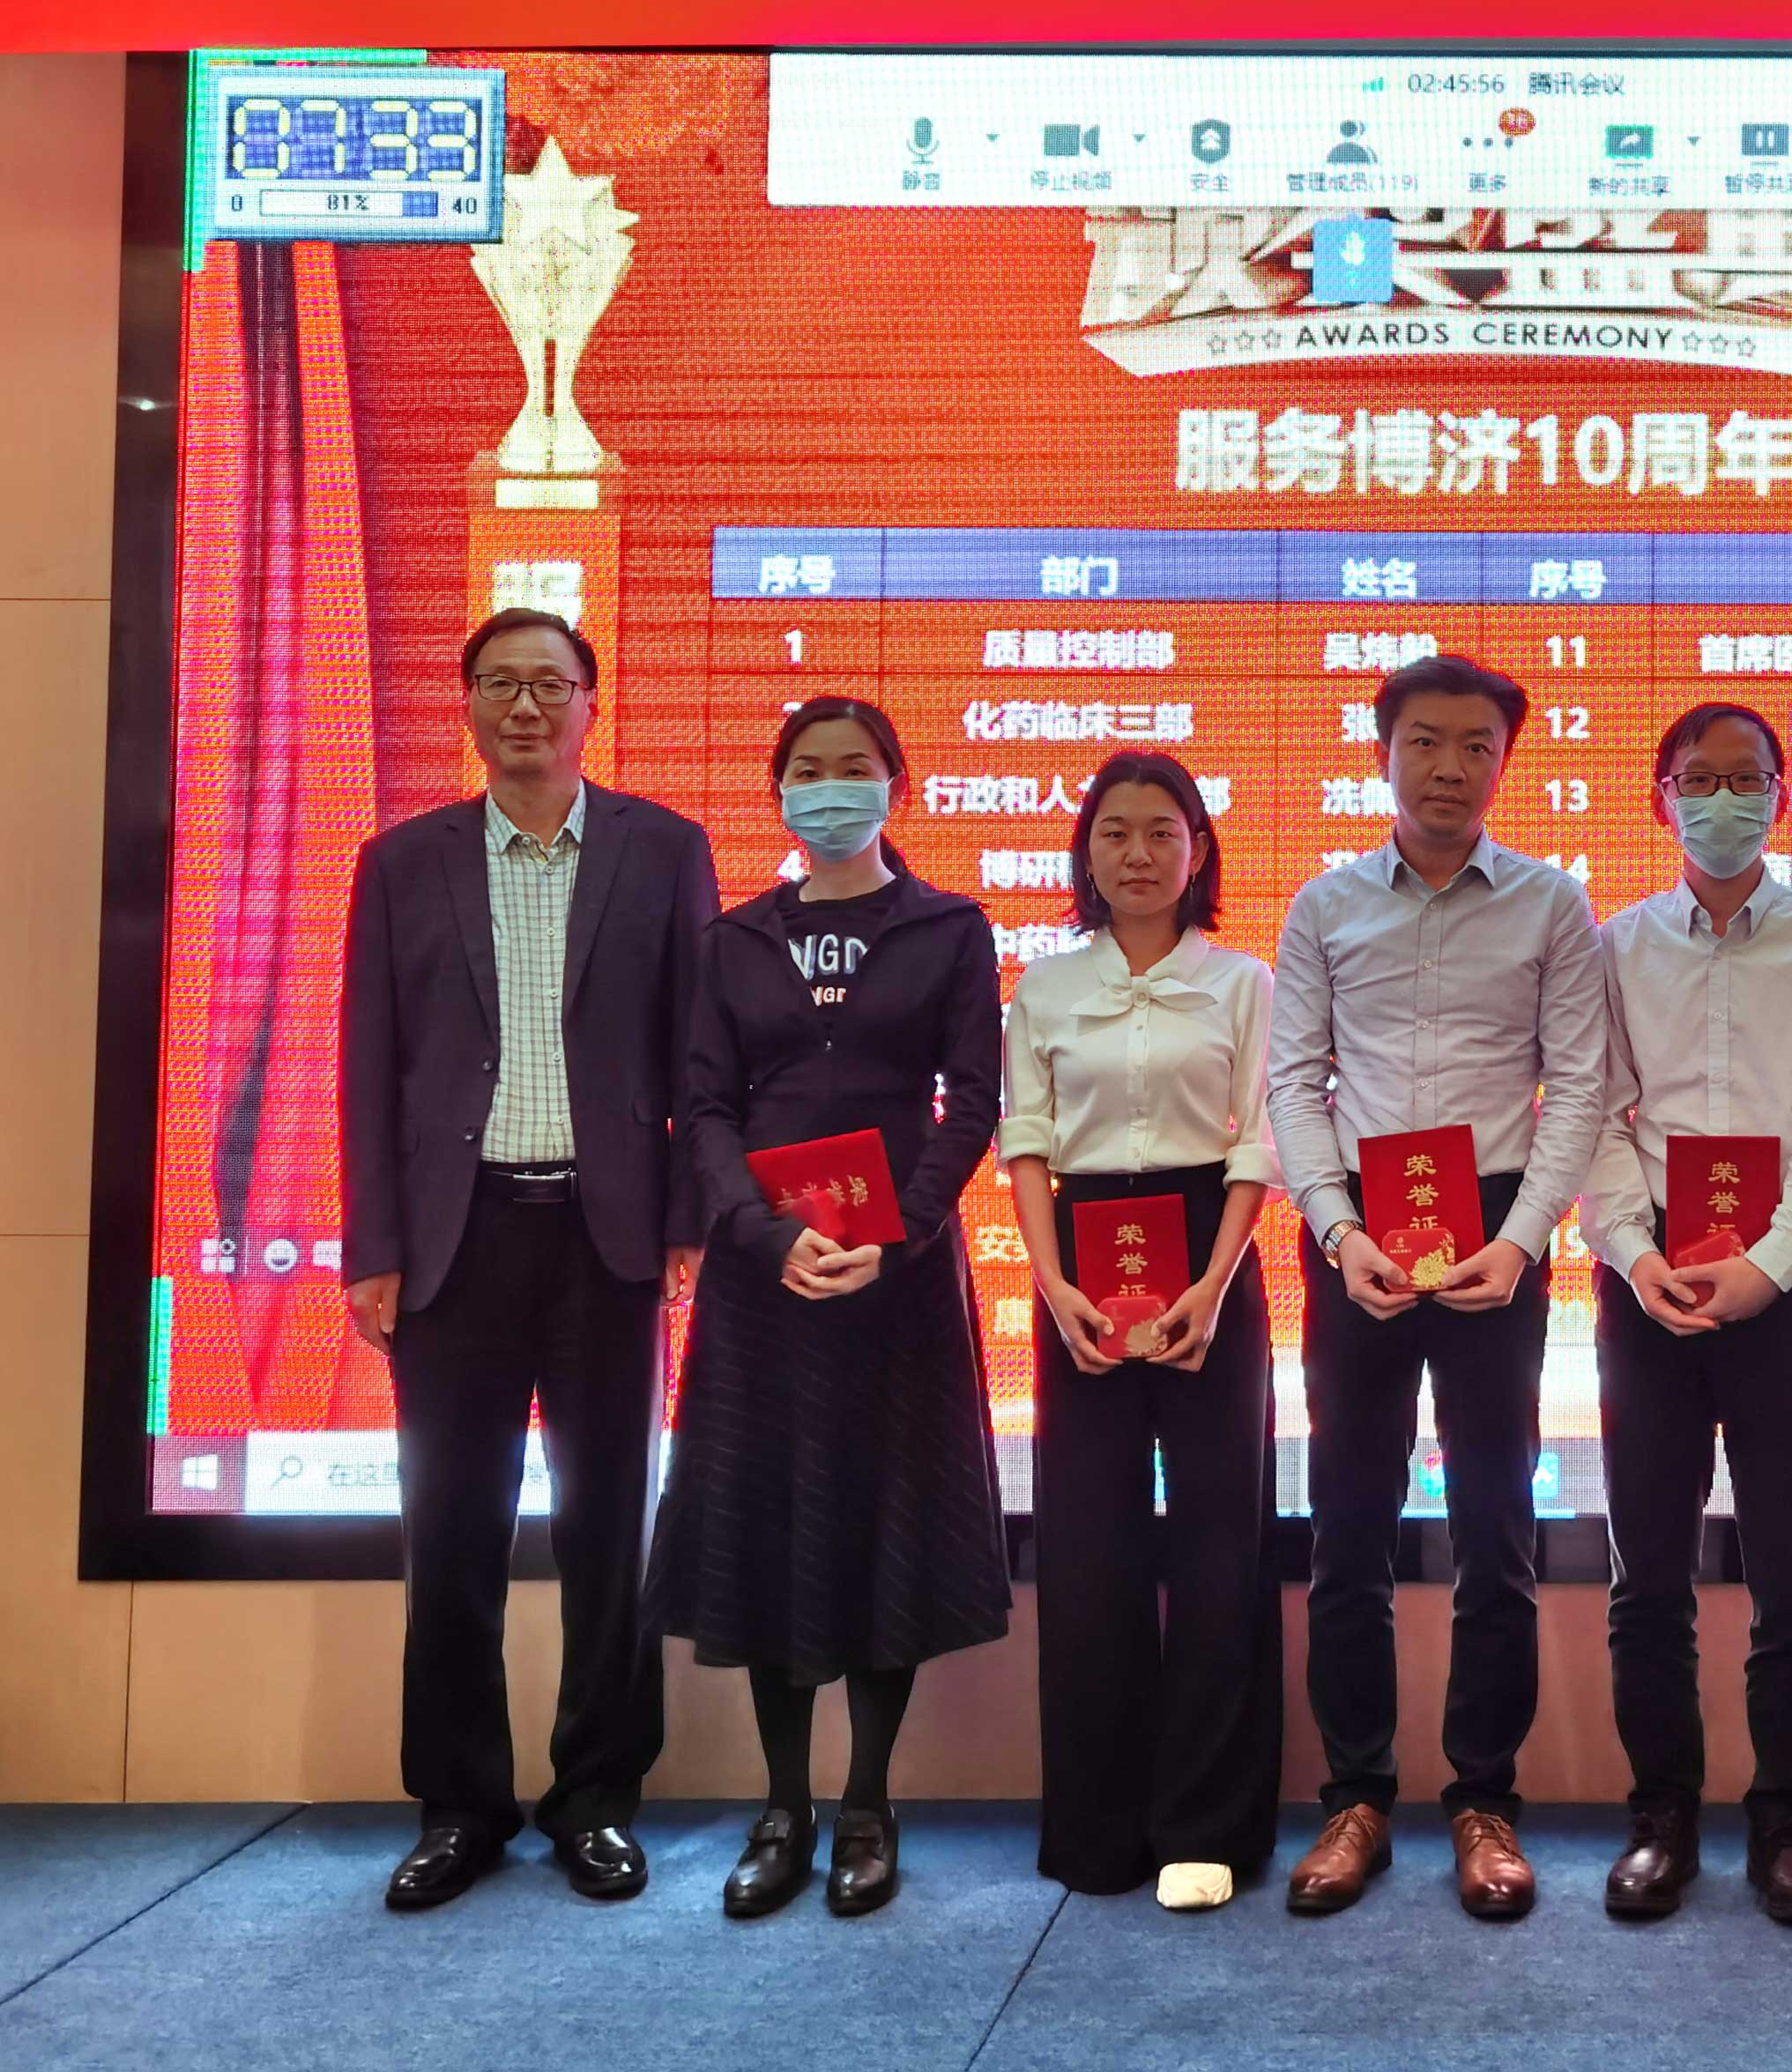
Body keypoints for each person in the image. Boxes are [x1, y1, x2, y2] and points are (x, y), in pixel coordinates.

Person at [339, 607, 715, 1911]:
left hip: (608, 1239)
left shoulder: (665, 850)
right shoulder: (403, 862)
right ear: (469, 707)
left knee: (610, 1532)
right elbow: (369, 1066)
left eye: (550, 684)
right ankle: (460, 1808)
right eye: (499, 685)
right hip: (457, 1242)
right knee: (450, 1533)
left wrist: (687, 1218)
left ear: (590, 702)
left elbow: (697, 1054)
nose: (524, 708)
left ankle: (597, 1800)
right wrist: (373, 1247)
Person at [648, 696, 1009, 1920]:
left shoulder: (950, 927)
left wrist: (895, 1234)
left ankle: (866, 1804)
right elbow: (705, 1110)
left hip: (896, 1281)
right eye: (807, 768)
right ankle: (782, 1807)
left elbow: (972, 1102)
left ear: (896, 786)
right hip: (766, 1283)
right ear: (780, 793)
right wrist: (764, 1234)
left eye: (856, 767)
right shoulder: (734, 939)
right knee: (772, 1529)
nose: (831, 786)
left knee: (883, 1525)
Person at [1268, 654, 1613, 1922]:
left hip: (1495, 1237)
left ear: (1504, 762)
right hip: (1358, 1235)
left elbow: (1577, 1086)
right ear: (1383, 754)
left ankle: (1484, 1801)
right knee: (1348, 1533)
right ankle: (1356, 1799)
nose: (1450, 768)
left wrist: (1518, 1242)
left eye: (1477, 746)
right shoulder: (1323, 906)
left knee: (1495, 1533)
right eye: (1424, 742)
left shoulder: (1551, 905)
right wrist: (1335, 1226)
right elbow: (1293, 1081)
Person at [1581, 703, 1792, 1927]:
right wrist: (1637, 1255)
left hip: (1783, 1291)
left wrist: (1769, 1265)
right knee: (1647, 1572)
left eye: (1744, 779)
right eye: (1696, 780)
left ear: (1780, 795)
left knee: (1790, 1572)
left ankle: (1784, 1828)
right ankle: (1661, 1820)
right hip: (1646, 1284)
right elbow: (1593, 1114)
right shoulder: (1615, 945)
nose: (1721, 800)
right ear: (1660, 799)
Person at [1003, 751, 1282, 1911]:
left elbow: (1257, 1140)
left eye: (1162, 831)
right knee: (1087, 1551)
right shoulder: (1045, 986)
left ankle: (1206, 1826)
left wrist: (1213, 1285)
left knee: (1222, 1547)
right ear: (1086, 853)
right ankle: (1098, 1826)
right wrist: (1051, 1281)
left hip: (1209, 1255)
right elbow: (1026, 1141)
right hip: (1079, 1265)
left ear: (1197, 849)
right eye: (1113, 833)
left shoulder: (1244, 983)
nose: (1137, 854)